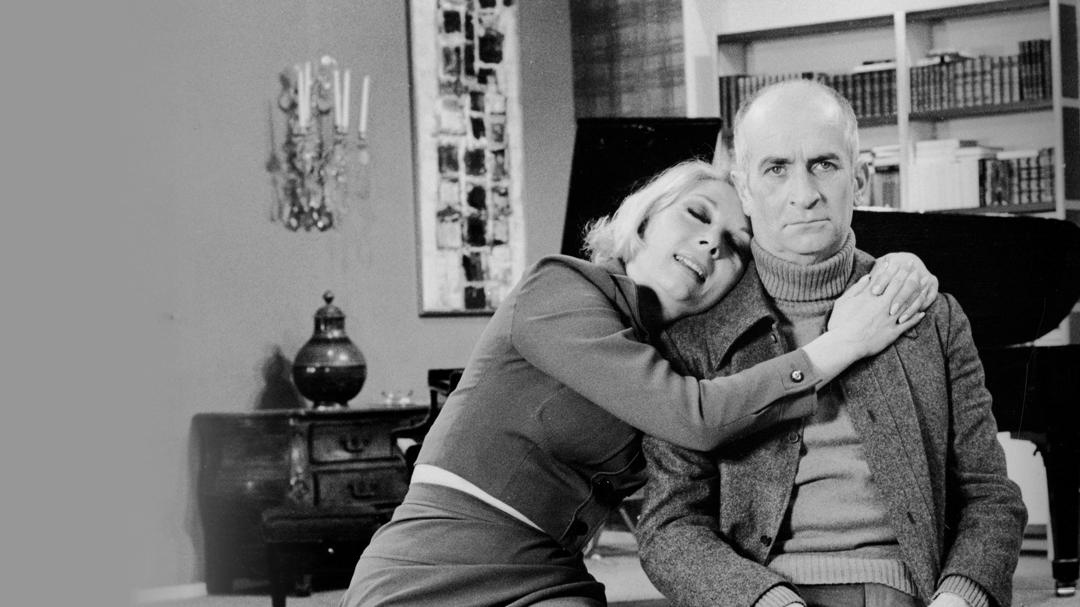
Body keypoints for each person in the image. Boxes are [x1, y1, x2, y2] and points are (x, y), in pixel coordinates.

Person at [339, 158, 939, 607]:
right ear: (643, 220)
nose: (712, 243)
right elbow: (694, 418)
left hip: (550, 574)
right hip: (439, 560)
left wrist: (896, 269)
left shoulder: (681, 356)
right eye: (697, 216)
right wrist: (844, 343)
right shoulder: (558, 287)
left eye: (734, 247)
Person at [635, 79, 1027, 607]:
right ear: (744, 190)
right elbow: (669, 526)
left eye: (824, 164)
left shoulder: (933, 316)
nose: (804, 194)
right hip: (760, 595)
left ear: (859, 180)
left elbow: (991, 496)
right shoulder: (695, 340)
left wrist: (960, 598)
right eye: (777, 169)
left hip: (912, 592)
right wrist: (765, 601)